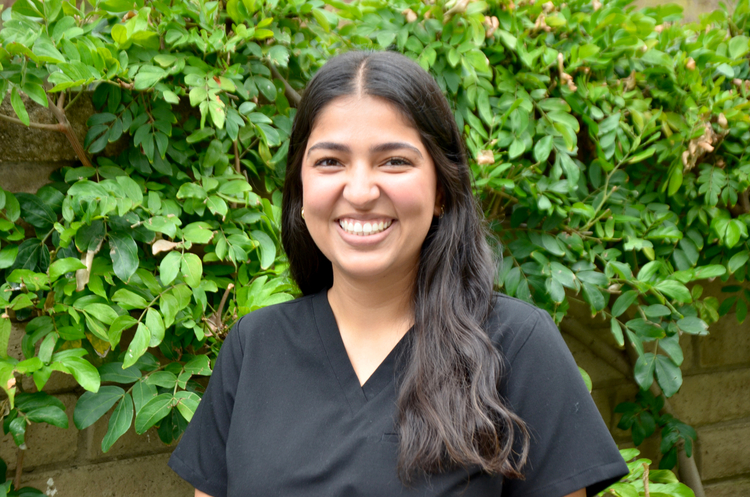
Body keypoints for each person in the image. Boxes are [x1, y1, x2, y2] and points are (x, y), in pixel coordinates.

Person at [168, 50, 628, 497]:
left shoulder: (517, 345)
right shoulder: (255, 346)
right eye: (330, 161)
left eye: (395, 161)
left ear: (442, 191)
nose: (361, 191)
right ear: (301, 188)